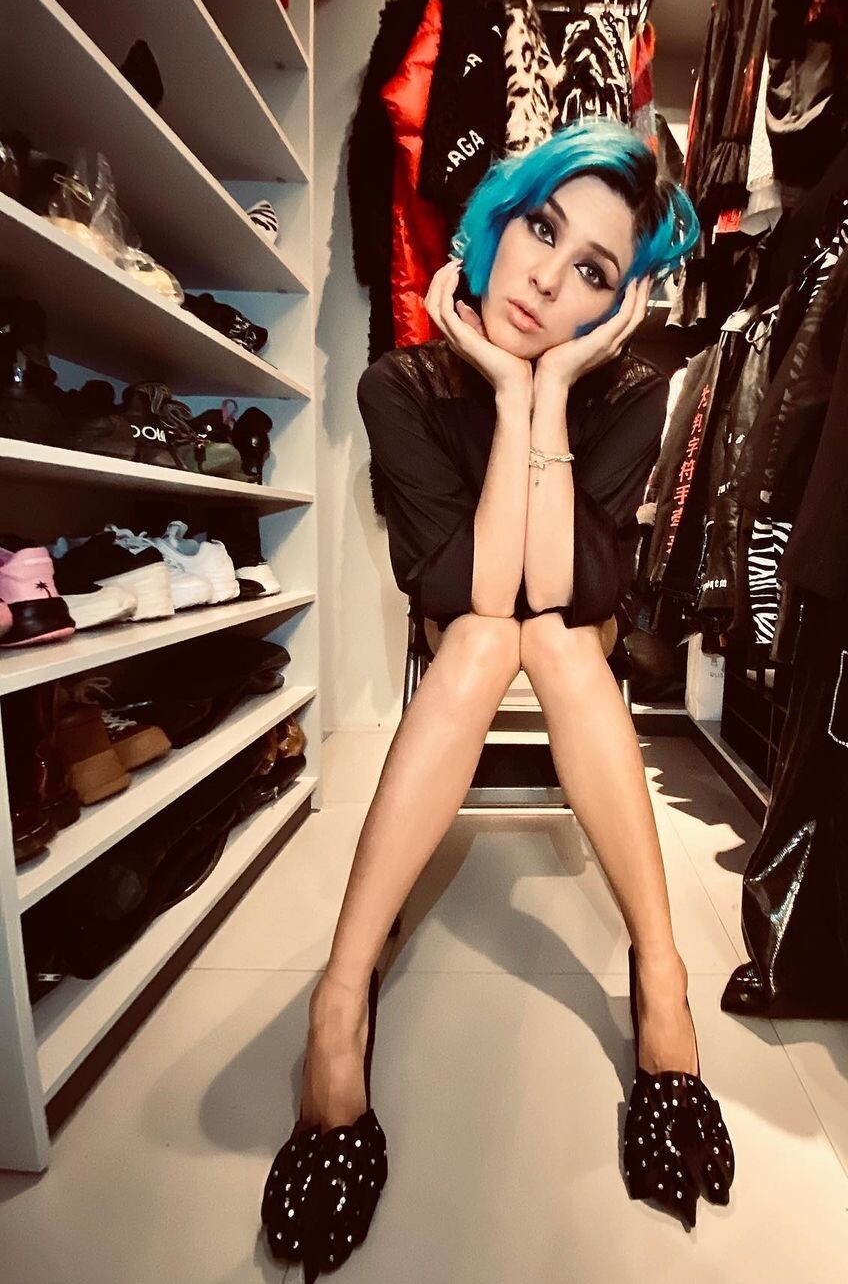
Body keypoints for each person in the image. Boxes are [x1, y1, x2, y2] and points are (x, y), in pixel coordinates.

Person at [260, 120, 735, 1278]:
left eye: (594, 271)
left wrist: (547, 391)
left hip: (573, 617)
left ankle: (661, 980)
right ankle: (339, 1004)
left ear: (619, 306)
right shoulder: (399, 385)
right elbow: (473, 593)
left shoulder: (630, 393)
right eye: (540, 228)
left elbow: (565, 591)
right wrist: (507, 398)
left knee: (558, 642)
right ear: (496, 220)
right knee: (482, 639)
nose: (546, 277)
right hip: (467, 614)